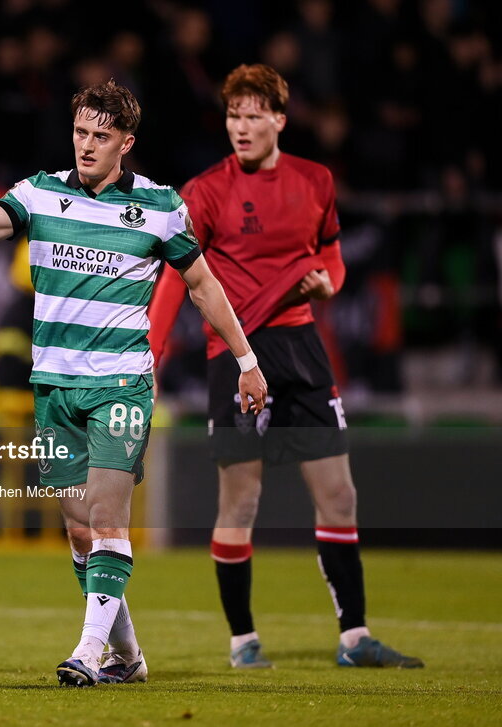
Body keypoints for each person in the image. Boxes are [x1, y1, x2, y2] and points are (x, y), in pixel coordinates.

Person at [0, 81, 267, 687]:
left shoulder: (161, 207)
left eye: (100, 137)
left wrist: (245, 360)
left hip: (120, 384)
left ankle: (86, 653)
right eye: (80, 132)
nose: (86, 145)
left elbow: (204, 286)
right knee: (80, 528)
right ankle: (127, 657)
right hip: (54, 387)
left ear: (126, 143)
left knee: (108, 516)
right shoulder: (39, 194)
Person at [148, 64, 423, 669]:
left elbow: (331, 251)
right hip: (237, 352)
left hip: (300, 349)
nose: (239, 127)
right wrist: (154, 353)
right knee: (241, 502)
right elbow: (175, 274)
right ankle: (243, 642)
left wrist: (330, 283)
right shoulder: (205, 191)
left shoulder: (316, 180)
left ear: (279, 119)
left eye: (251, 116)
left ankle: (355, 638)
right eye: (231, 116)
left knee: (340, 495)